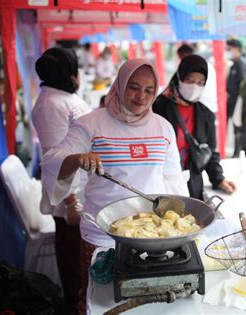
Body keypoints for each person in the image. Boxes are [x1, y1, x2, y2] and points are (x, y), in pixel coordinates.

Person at [40, 59, 186, 314]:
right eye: (134, 87)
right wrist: (75, 159)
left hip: (150, 237)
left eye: (149, 90)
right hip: (102, 234)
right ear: (119, 85)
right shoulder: (91, 124)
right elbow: (51, 159)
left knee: (143, 304)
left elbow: (172, 179)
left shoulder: (163, 128)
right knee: (99, 303)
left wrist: (178, 225)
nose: (141, 96)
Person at [31, 47, 92, 309]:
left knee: (81, 261)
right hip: (69, 198)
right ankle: (74, 306)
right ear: (69, 72)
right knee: (73, 263)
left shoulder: (61, 98)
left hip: (80, 192)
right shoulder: (51, 105)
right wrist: (70, 202)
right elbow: (54, 156)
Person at [153, 54, 236, 200]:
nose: (194, 86)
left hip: (192, 185)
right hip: (160, 182)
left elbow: (210, 151)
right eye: (189, 80)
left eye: (200, 82)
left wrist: (219, 178)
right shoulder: (158, 108)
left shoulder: (205, 114)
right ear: (179, 77)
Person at [177, 43, 218, 114]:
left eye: (181, 59)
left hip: (202, 108)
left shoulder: (194, 68)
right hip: (211, 105)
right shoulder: (206, 64)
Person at [226, 38, 246, 121]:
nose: (227, 52)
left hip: (236, 103)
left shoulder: (240, 65)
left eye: (229, 49)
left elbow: (242, 84)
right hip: (231, 101)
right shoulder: (233, 64)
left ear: (237, 49)